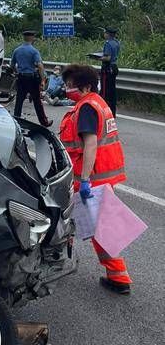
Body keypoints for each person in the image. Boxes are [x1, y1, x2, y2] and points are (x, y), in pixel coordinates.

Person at [59, 64, 130, 294]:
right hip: (101, 175)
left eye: (71, 86)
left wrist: (86, 179)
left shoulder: (87, 107)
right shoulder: (97, 103)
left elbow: (90, 144)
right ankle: (117, 273)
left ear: (86, 86)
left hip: (92, 177)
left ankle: (118, 276)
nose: (67, 89)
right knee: (98, 226)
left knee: (97, 227)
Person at [10, 30, 52, 126]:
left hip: (21, 78)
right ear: (32, 38)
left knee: (19, 100)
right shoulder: (34, 51)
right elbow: (40, 65)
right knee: (37, 101)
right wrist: (42, 79)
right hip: (32, 78)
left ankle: (17, 121)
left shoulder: (17, 50)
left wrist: (17, 72)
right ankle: (44, 122)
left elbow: (12, 65)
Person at [100, 28, 120, 115]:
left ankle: (105, 111)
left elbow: (107, 58)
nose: (104, 34)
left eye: (105, 33)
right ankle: (113, 111)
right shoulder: (116, 42)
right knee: (112, 90)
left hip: (107, 68)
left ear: (108, 34)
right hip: (114, 66)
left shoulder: (108, 43)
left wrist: (98, 58)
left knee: (105, 90)